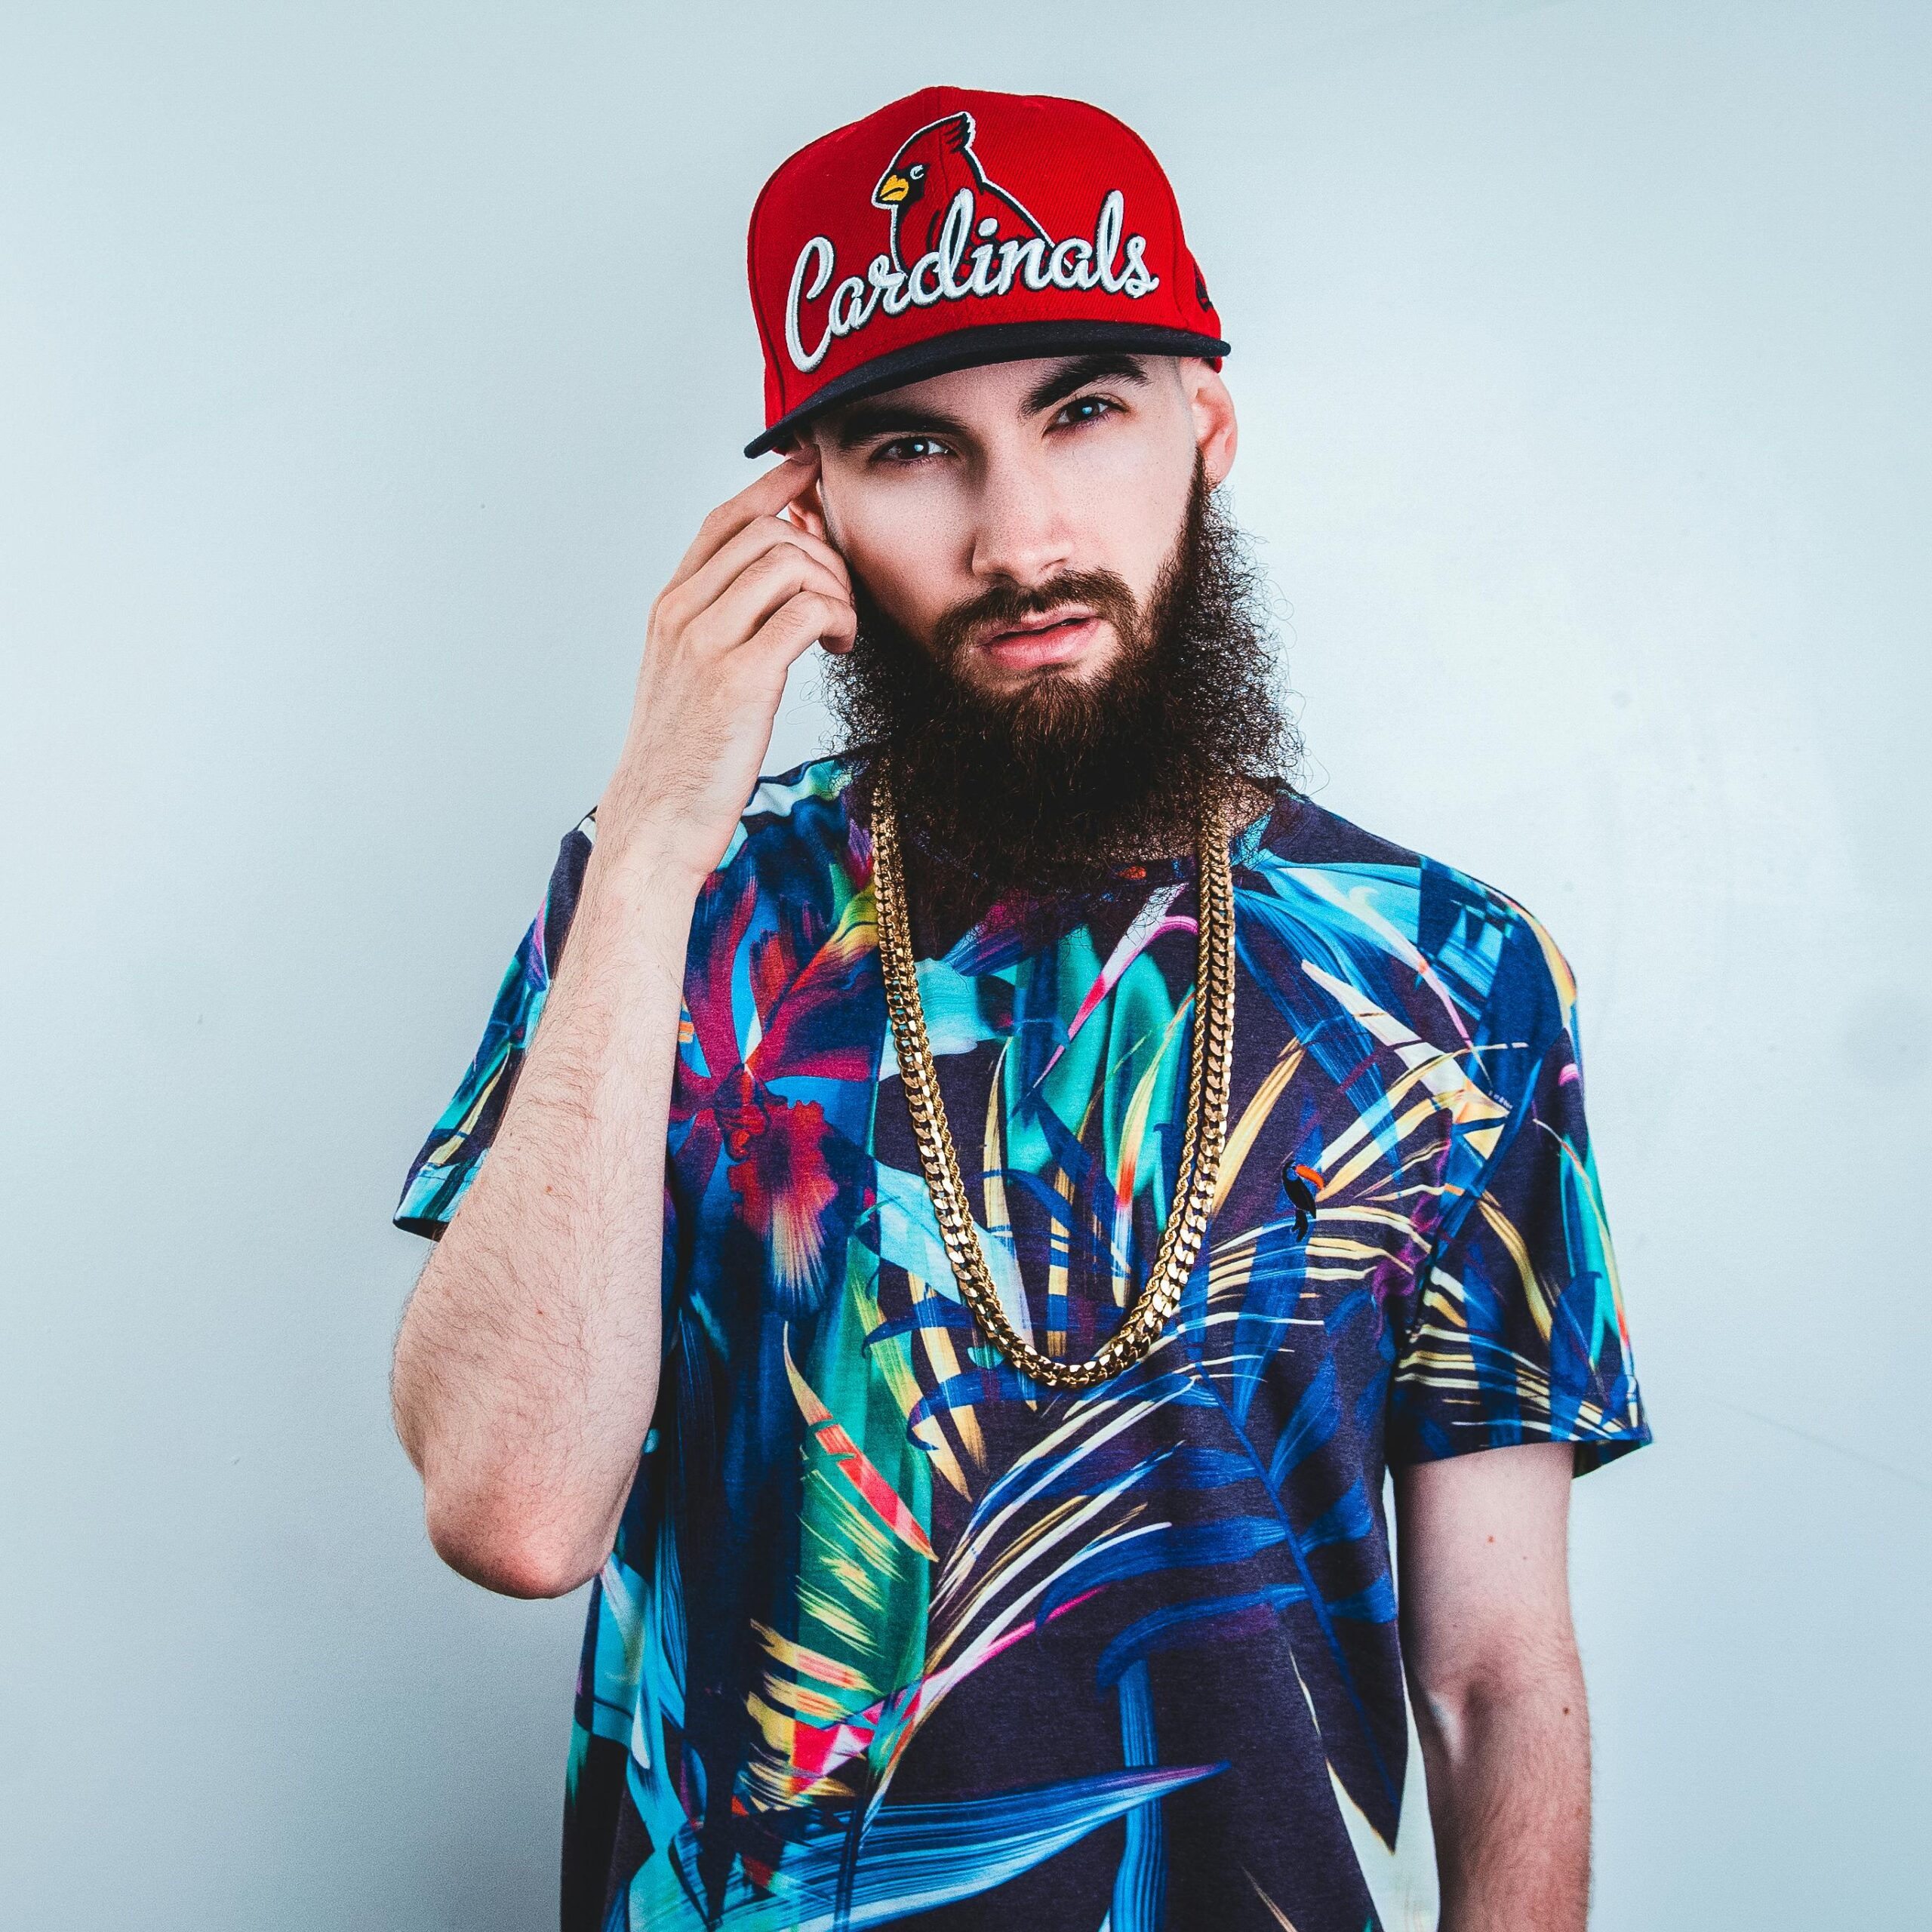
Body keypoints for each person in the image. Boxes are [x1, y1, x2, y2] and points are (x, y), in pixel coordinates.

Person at [389, 86, 1648, 1932]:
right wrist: (659, 830)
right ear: (801, 509)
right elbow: (512, 1509)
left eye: (1082, 409)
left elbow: (1488, 1676)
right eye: (914, 449)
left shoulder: (1446, 977)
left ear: (1202, 427)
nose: (1018, 530)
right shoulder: (673, 907)